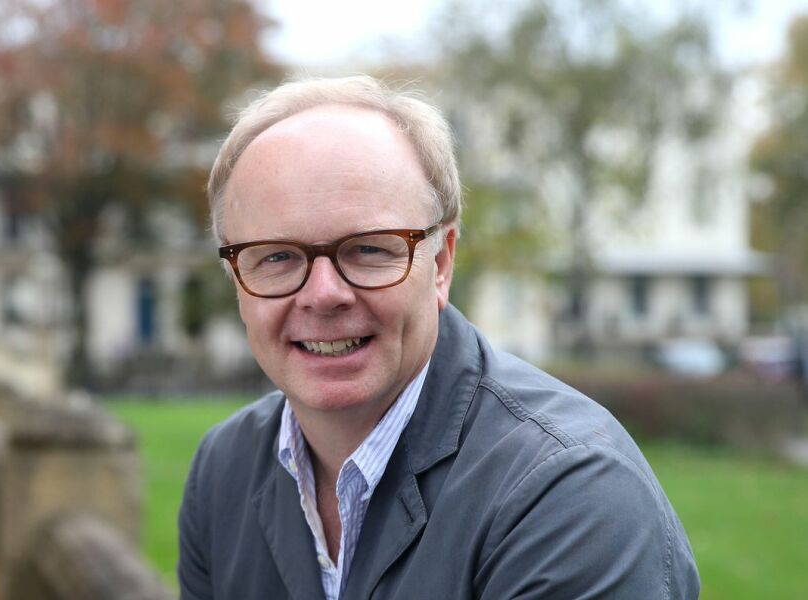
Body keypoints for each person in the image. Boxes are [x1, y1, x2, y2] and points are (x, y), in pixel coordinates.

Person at [178, 75, 699, 600]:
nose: (323, 294)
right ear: (237, 278)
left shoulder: (571, 495)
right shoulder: (224, 471)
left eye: (369, 249)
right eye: (277, 257)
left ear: (442, 263)